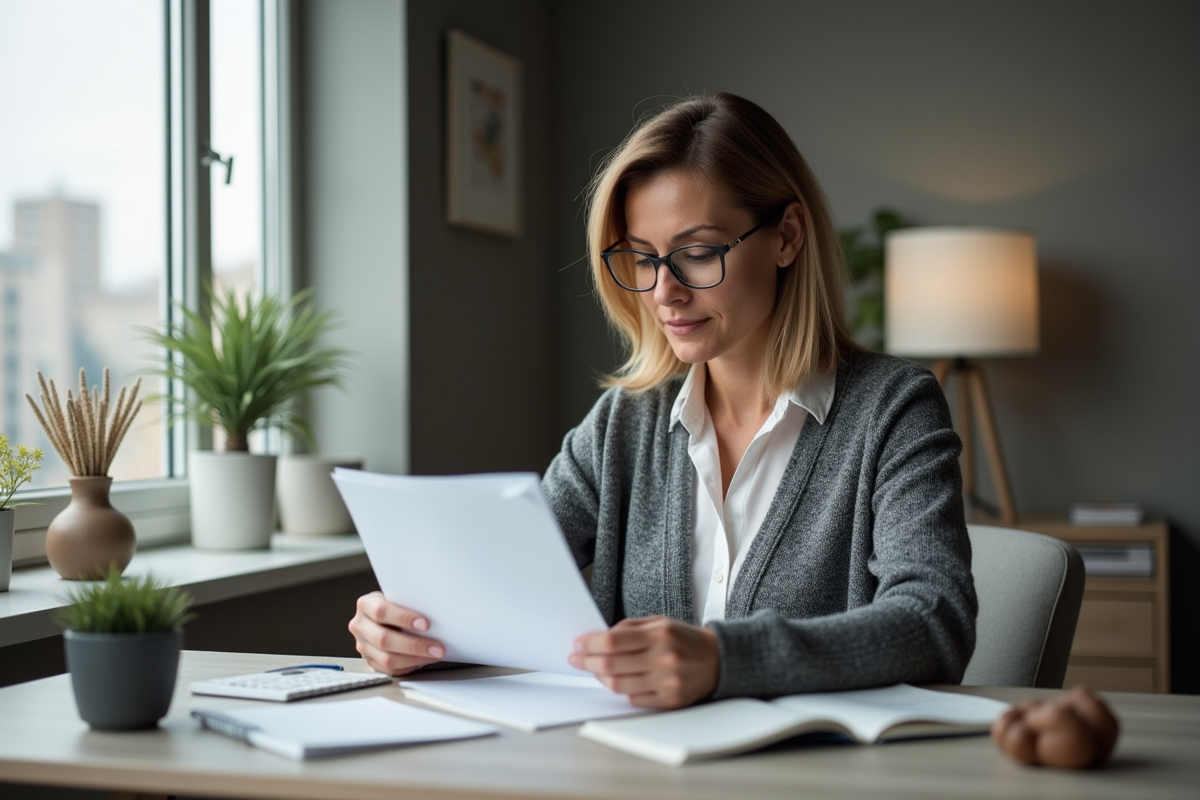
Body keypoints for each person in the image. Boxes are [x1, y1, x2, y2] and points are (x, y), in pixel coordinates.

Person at [349, 92, 976, 710]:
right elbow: (506, 590)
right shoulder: (627, 421)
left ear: (786, 237)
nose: (663, 292)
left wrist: (724, 660)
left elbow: (933, 620)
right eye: (643, 258)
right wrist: (418, 632)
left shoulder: (894, 409)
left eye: (697, 254)